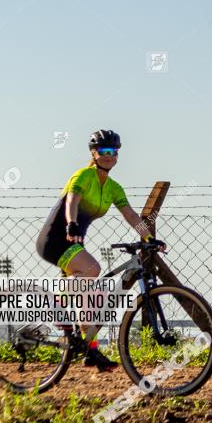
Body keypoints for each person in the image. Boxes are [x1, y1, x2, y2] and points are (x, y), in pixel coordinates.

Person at [35, 129, 164, 371]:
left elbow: (130, 214)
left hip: (74, 243)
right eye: (103, 151)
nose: (109, 156)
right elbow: (72, 200)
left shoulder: (114, 187)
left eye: (113, 152)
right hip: (55, 239)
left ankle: (90, 350)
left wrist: (148, 237)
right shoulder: (84, 175)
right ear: (93, 153)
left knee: (89, 299)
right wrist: (71, 223)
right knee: (93, 269)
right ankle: (55, 302)